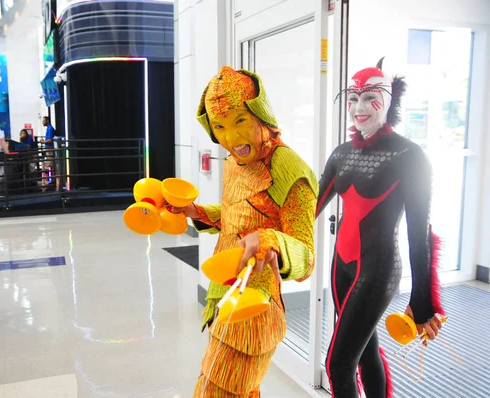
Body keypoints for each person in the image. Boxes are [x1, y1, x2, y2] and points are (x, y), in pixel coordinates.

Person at [173, 66, 318, 397]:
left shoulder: (290, 170)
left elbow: (306, 259)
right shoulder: (234, 160)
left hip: (256, 306)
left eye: (240, 121)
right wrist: (195, 212)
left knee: (217, 391)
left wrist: (272, 240)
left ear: (260, 115)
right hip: (223, 293)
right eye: (220, 127)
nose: (232, 139)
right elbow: (236, 218)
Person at [316, 58, 445, 397]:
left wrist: (422, 298)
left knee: (337, 364)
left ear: (390, 99)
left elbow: (421, 234)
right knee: (364, 353)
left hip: (379, 268)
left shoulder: (410, 155)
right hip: (341, 266)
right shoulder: (341, 154)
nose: (359, 107)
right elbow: (307, 209)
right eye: (353, 97)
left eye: (370, 96)